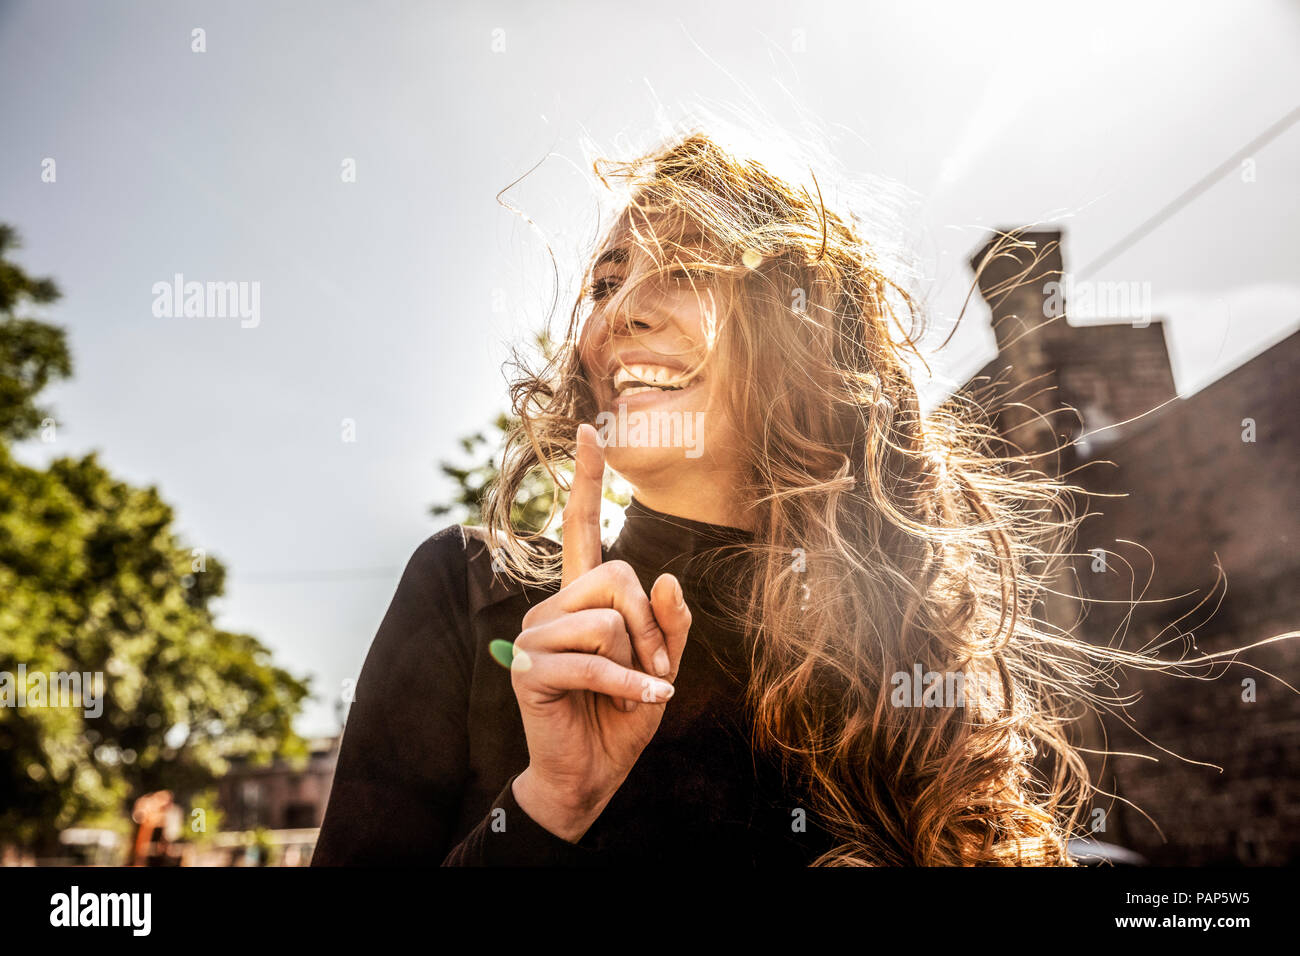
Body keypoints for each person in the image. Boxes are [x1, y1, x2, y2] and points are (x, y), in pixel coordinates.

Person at [313, 129, 1145, 866]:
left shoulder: (904, 677)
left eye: (682, 265)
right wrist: (547, 809)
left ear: (803, 333)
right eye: (605, 283)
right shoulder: (472, 592)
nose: (620, 314)